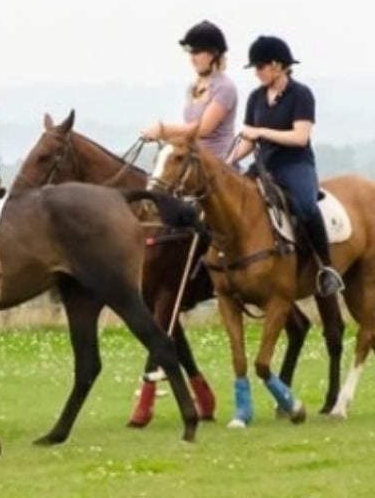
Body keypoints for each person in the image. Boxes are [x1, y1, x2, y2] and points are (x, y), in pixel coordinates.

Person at [226, 35, 344, 297]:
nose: (256, 73)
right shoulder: (256, 97)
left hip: (295, 164)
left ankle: (326, 269)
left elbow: (300, 136)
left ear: (277, 66)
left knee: (305, 205)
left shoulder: (301, 94)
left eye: (259, 67)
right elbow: (248, 139)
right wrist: (228, 161)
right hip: (264, 166)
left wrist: (261, 132)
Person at [141, 20, 238, 158]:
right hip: (193, 160)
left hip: (217, 164)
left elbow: (202, 129)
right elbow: (188, 131)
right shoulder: (192, 87)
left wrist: (163, 130)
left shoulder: (225, 88)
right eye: (190, 52)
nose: (192, 59)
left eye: (196, 52)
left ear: (213, 54)